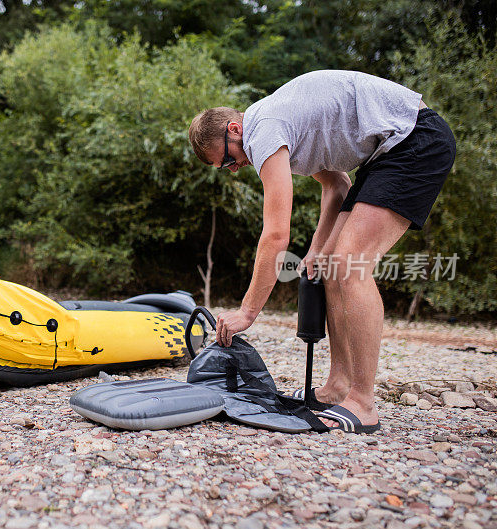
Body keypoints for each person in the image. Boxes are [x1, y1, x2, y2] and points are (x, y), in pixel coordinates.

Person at [188, 70, 456, 433]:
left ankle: (363, 403)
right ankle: (337, 388)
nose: (232, 169)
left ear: (234, 129)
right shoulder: (280, 127)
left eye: (225, 160)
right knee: (329, 266)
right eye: (224, 168)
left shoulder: (262, 130)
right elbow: (337, 185)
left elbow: (276, 235)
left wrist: (247, 312)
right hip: (383, 154)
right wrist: (316, 250)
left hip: (413, 139)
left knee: (349, 264)